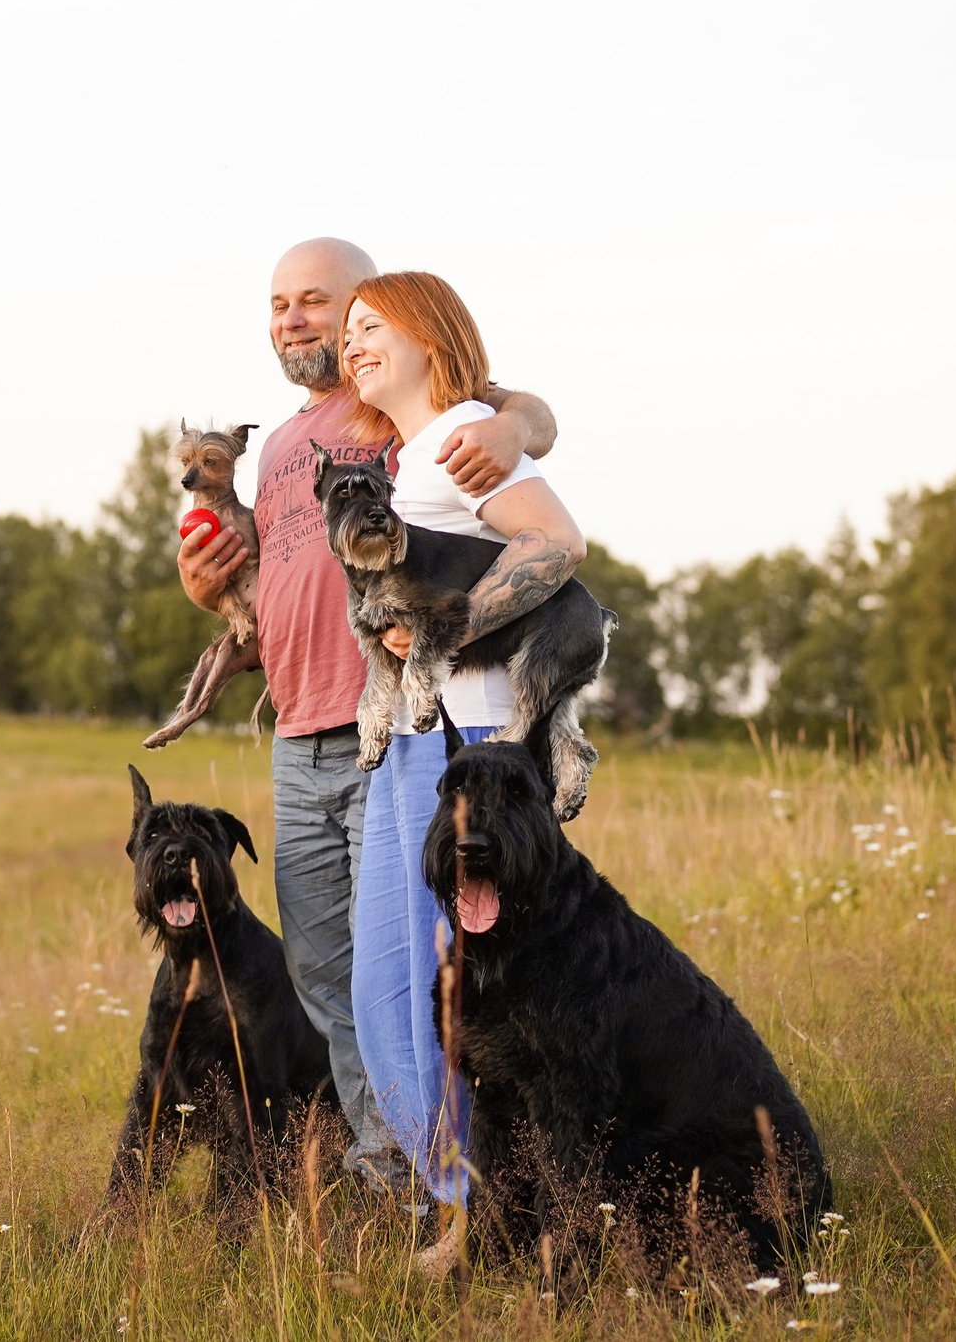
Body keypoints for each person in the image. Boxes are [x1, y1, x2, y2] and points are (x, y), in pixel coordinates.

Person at [176, 238, 560, 1192]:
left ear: (367, 314)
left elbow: (517, 411)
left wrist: (514, 430)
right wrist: (208, 593)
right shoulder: (273, 450)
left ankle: (465, 1174)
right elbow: (293, 580)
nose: (298, 322)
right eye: (280, 306)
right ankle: (393, 1167)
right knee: (334, 977)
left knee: (428, 964)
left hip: (386, 725)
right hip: (297, 728)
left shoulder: (395, 406)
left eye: (320, 303)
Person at [337, 270, 586, 1227]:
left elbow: (556, 541)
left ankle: (484, 1211)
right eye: (348, 328)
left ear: (431, 338)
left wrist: (446, 632)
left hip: (476, 740)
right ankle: (460, 1197)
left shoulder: (457, 438)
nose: (356, 342)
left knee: (456, 990)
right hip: (415, 740)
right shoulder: (407, 461)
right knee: (389, 988)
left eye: (373, 326)